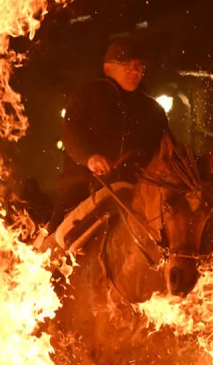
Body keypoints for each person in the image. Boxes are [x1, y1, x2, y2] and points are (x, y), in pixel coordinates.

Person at [48, 35, 174, 232]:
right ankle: (47, 257)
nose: (135, 72)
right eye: (127, 66)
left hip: (137, 189)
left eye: (139, 66)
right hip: (86, 184)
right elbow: (72, 132)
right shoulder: (87, 95)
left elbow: (168, 148)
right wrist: (89, 157)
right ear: (108, 68)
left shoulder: (152, 110)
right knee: (58, 232)